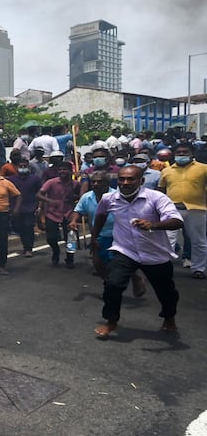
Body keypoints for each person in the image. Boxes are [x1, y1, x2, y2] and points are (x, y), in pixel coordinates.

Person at [91, 165, 183, 340]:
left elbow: (177, 221)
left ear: (141, 181)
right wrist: (94, 237)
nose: (125, 183)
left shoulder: (156, 198)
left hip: (155, 253)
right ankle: (111, 321)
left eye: (130, 179)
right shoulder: (109, 199)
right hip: (125, 250)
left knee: (166, 291)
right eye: (122, 179)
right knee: (113, 284)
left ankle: (169, 317)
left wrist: (153, 225)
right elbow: (101, 215)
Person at [71, 171, 145, 296]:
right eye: (93, 182)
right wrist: (73, 221)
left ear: (107, 183)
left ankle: (134, 278)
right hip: (98, 235)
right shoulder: (87, 197)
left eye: (99, 182)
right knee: (98, 265)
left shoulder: (118, 196)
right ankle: (109, 284)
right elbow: (78, 210)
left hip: (119, 234)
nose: (95, 184)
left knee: (122, 263)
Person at [158, 142, 207, 279]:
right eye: (179, 152)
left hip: (196, 209)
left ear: (192, 154)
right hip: (171, 209)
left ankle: (199, 269)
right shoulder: (167, 171)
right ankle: (163, 267)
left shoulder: (203, 169)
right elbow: (161, 190)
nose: (181, 155)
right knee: (167, 239)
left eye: (185, 152)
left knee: (198, 241)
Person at [36, 161, 80, 267]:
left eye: (65, 169)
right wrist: (49, 201)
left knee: (70, 238)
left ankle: (70, 258)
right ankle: (55, 252)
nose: (62, 171)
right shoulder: (51, 182)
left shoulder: (76, 184)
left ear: (70, 171)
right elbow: (38, 195)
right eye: (60, 169)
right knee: (51, 237)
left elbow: (81, 195)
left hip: (69, 213)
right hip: (52, 213)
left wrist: (75, 197)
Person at [8, 157, 43, 257]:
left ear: (28, 167)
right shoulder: (12, 180)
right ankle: (25, 246)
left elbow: (40, 193)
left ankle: (29, 248)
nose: (22, 168)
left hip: (30, 207)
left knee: (28, 227)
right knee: (19, 228)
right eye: (20, 166)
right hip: (16, 209)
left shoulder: (35, 179)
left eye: (24, 166)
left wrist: (39, 207)